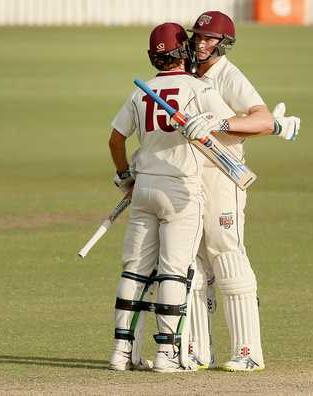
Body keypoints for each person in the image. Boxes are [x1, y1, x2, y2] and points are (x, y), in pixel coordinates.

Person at [107, 22, 236, 373]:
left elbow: (116, 141)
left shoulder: (140, 92)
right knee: (174, 272)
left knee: (134, 271)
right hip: (181, 190)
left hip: (144, 189)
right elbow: (229, 123)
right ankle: (167, 354)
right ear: (184, 52)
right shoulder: (198, 87)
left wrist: (125, 179)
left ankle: (122, 353)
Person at [181, 11, 301, 372]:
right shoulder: (188, 72)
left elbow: (261, 119)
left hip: (223, 172)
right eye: (198, 37)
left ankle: (248, 352)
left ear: (224, 43)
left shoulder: (228, 75)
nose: (201, 43)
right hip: (188, 176)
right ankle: (199, 351)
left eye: (209, 39)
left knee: (226, 253)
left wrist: (220, 122)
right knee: (193, 259)